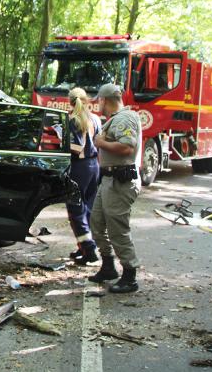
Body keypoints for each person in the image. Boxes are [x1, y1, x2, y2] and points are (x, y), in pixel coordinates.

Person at [88, 83, 142, 293]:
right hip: (109, 180)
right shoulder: (116, 119)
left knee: (118, 229)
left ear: (105, 100)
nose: (97, 104)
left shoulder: (124, 118)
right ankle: (108, 266)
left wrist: (100, 143)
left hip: (121, 181)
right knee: (97, 222)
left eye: (99, 100)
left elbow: (127, 147)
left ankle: (130, 275)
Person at [66, 87, 101, 265]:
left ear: (70, 102)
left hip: (79, 167)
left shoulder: (73, 120)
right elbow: (98, 143)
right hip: (95, 166)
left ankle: (89, 248)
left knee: (75, 209)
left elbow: (77, 148)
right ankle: (85, 246)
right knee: (89, 207)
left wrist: (61, 141)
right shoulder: (95, 118)